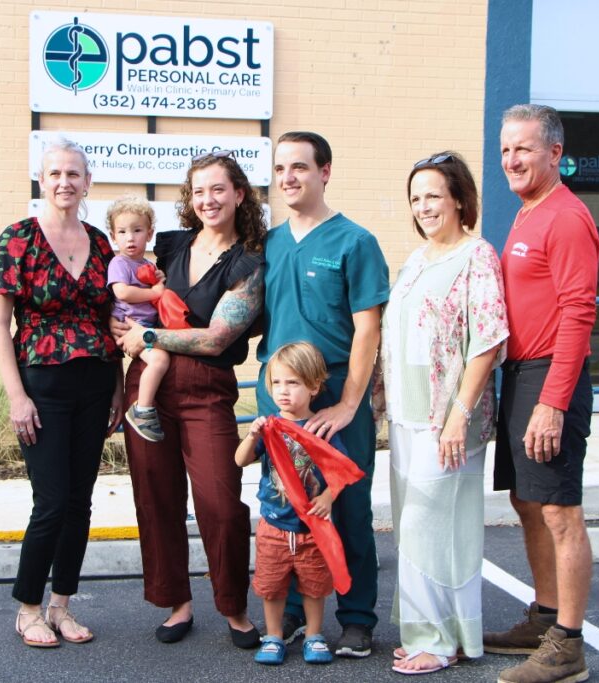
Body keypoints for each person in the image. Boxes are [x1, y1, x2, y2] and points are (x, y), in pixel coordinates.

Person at [0, 138, 124, 648]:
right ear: (42, 180)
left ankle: (61, 605)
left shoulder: (102, 244)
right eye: (55, 173)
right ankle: (28, 606)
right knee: (52, 501)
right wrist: (16, 396)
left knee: (80, 502)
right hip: (43, 386)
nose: (65, 182)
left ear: (87, 182)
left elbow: (112, 320)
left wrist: (119, 387)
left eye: (74, 174)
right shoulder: (19, 239)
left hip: (96, 381)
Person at [115, 150, 266, 649]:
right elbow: (126, 292)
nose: (208, 200)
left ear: (239, 194)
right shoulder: (171, 245)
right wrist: (124, 330)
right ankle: (177, 603)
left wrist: (150, 339)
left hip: (206, 388)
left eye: (218, 189)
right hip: (149, 389)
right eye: (199, 191)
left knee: (221, 504)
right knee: (157, 499)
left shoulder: (248, 261)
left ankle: (234, 607)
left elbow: (218, 338)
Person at [258, 131, 390, 657]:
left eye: (300, 167)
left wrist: (348, 404)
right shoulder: (268, 245)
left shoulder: (354, 243)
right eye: (281, 168)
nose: (288, 178)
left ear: (325, 172)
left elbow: (368, 331)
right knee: (286, 506)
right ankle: (292, 613)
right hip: (280, 394)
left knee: (347, 506)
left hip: (336, 395)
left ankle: (356, 618)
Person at [486, 104, 599, 683]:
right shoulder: (527, 212)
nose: (511, 160)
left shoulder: (567, 217)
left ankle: (569, 647)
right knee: (527, 503)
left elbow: (579, 312)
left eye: (523, 149)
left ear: (554, 153)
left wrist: (553, 402)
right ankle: (545, 617)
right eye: (506, 149)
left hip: (552, 375)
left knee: (559, 509)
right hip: (521, 374)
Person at [382, 152, 509, 675]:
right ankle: (432, 633)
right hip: (406, 418)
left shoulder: (478, 256)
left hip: (446, 422)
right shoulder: (417, 259)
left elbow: (487, 341)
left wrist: (458, 414)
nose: (424, 206)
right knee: (422, 528)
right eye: (416, 198)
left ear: (459, 197)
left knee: (425, 527)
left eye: (433, 195)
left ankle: (436, 639)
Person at [235, 342, 345, 666]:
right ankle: (273, 636)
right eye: (278, 383)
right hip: (273, 524)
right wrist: (251, 435)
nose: (283, 391)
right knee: (271, 586)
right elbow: (239, 460)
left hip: (312, 526)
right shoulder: (269, 428)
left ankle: (314, 634)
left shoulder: (320, 430)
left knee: (313, 586)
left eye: (293, 383)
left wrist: (327, 497)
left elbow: (341, 472)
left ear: (314, 387)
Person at [105, 196, 170, 442]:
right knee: (160, 360)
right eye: (122, 232)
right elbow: (122, 292)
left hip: (146, 327)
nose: (130, 238)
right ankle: (142, 409)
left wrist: (158, 278)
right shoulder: (119, 262)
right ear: (113, 236)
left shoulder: (146, 264)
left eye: (137, 230)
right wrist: (154, 292)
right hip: (129, 328)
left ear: (150, 233)